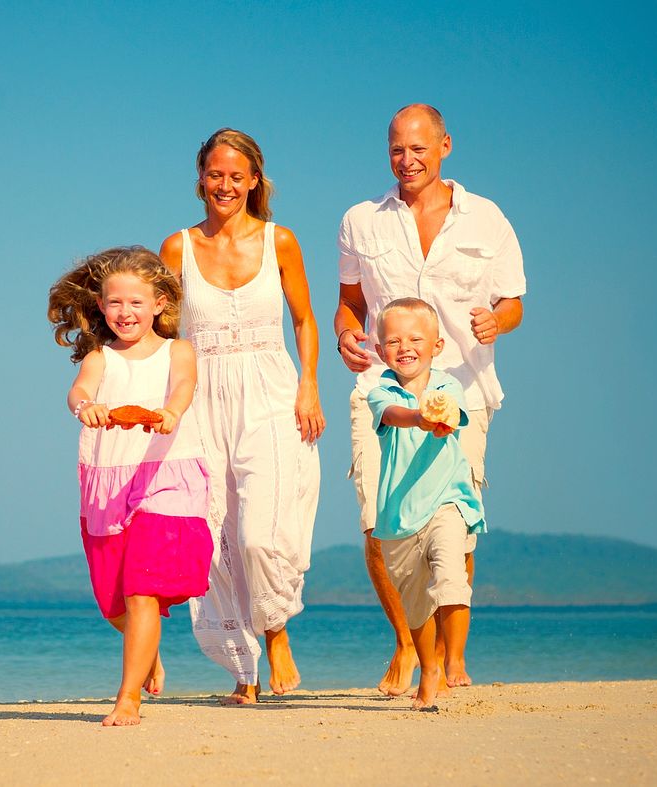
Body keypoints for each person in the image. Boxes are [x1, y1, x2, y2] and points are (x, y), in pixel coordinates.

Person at [335, 104, 525, 696]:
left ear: (445, 145)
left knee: (456, 524)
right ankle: (407, 643)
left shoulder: (486, 218)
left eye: (419, 148)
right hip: (383, 390)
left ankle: (445, 655)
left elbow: (513, 300)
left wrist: (496, 323)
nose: (407, 159)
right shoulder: (361, 220)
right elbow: (348, 303)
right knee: (378, 524)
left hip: (462, 387)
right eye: (397, 149)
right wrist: (345, 336)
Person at [159, 128, 324, 704]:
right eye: (215, 174)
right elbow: (164, 335)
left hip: (272, 391)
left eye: (237, 175)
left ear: (255, 180)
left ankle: (276, 632)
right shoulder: (177, 248)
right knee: (213, 535)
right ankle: (244, 672)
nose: (224, 185)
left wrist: (309, 387)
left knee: (261, 532)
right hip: (202, 397)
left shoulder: (281, 241)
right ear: (200, 177)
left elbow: (304, 320)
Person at [47, 246, 213, 726]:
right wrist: (86, 409)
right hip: (109, 479)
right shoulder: (101, 356)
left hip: (168, 472)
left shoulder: (176, 350)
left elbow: (184, 386)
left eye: (137, 302)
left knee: (144, 590)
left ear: (160, 303)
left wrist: (171, 413)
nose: (126, 312)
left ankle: (127, 700)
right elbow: (79, 390)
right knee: (112, 601)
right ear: (101, 306)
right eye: (115, 303)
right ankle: (149, 652)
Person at [367, 297, 485, 709]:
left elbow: (450, 413)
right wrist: (419, 417)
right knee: (416, 605)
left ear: (436, 346)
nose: (405, 346)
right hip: (399, 516)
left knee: (451, 575)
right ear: (381, 351)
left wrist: (439, 417)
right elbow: (396, 414)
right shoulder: (381, 391)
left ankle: (453, 660)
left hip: (447, 502)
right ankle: (427, 671)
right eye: (394, 340)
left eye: (416, 338)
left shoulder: (449, 385)